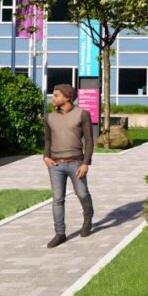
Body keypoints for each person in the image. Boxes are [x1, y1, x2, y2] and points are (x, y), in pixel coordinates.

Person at [43, 84, 94, 248]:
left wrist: (86, 163)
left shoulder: (82, 114)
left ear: (67, 97)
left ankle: (88, 217)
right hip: (55, 165)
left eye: (56, 95)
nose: (53, 98)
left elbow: (89, 141)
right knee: (57, 199)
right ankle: (60, 233)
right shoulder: (49, 117)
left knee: (82, 193)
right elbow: (48, 140)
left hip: (76, 163)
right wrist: (45, 157)